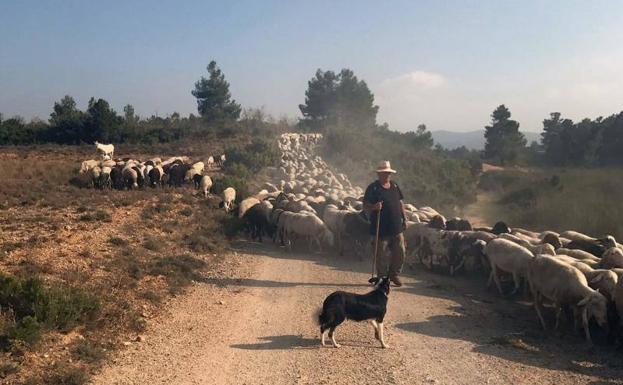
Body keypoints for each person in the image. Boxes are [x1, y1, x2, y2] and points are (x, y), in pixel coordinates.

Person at [363, 160, 408, 286]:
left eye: (388, 173)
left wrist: (405, 218)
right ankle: (382, 277)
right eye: (384, 173)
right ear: (379, 174)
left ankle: (394, 274)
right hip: (380, 228)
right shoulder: (373, 188)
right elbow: (365, 205)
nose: (386, 175)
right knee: (380, 254)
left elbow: (400, 202)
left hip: (396, 226)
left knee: (400, 251)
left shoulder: (394, 186)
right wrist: (374, 206)